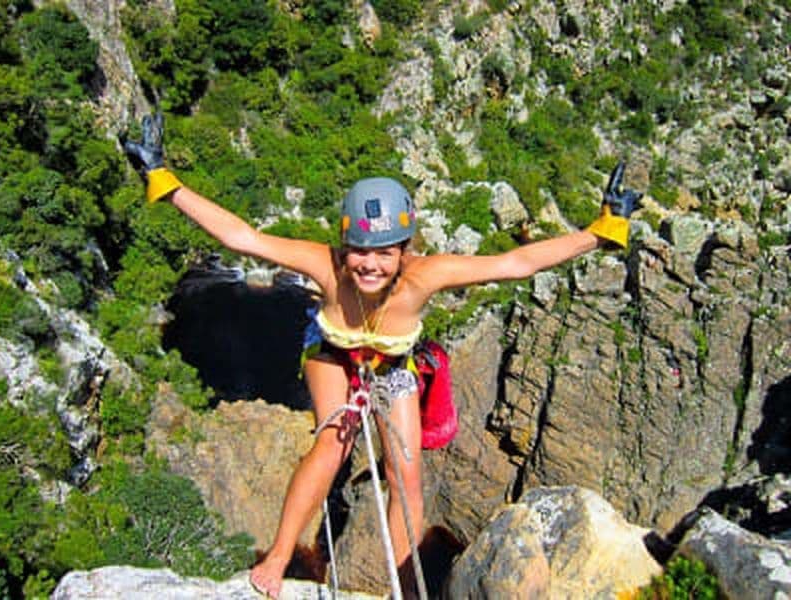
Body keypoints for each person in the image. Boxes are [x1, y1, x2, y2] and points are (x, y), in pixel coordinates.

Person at [123, 114, 642, 599]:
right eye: (360, 252)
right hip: (331, 353)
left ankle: (400, 582)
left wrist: (600, 232)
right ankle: (280, 554)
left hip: (393, 367)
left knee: (406, 477)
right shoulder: (324, 266)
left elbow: (515, 263)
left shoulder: (425, 276)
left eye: (384, 252)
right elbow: (242, 236)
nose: (369, 265)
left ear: (405, 252)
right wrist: (165, 181)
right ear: (344, 245)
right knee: (331, 446)